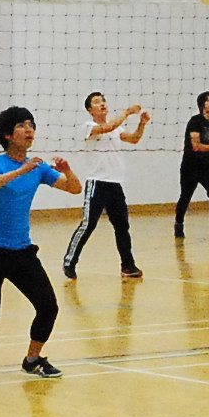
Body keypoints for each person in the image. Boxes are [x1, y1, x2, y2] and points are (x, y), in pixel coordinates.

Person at [0, 106, 79, 382]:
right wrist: (20, 171)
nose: (29, 130)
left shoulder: (38, 167)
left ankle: (32, 360)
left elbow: (74, 188)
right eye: (22, 125)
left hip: (23, 252)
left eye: (31, 125)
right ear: (8, 135)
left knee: (48, 307)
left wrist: (67, 171)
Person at [63, 92, 147, 281]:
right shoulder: (89, 127)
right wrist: (127, 112)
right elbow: (108, 127)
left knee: (122, 226)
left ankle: (128, 265)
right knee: (88, 224)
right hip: (97, 183)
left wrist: (142, 123)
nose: (102, 104)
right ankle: (69, 261)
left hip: (115, 184)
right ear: (90, 109)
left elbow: (134, 139)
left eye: (103, 101)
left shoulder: (116, 128)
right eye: (96, 102)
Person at [175, 92, 209, 241]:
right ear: (202, 104)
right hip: (190, 166)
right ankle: (179, 224)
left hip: (207, 167)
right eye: (208, 100)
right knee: (185, 196)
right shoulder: (195, 121)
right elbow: (196, 146)